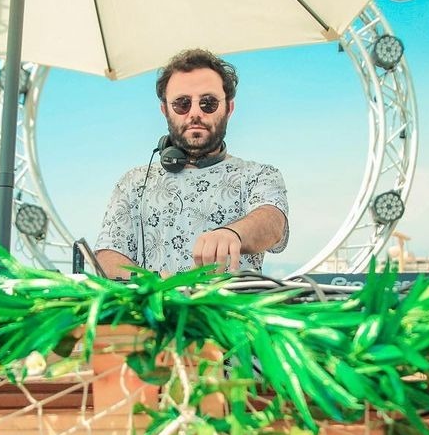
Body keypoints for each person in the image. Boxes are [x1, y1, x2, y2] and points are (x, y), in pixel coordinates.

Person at [95, 48, 289, 279]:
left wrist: (232, 234)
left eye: (208, 103)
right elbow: (107, 255)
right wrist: (156, 284)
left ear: (229, 108)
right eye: (182, 103)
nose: (195, 113)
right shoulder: (133, 182)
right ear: (165, 110)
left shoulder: (260, 175)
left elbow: (273, 223)